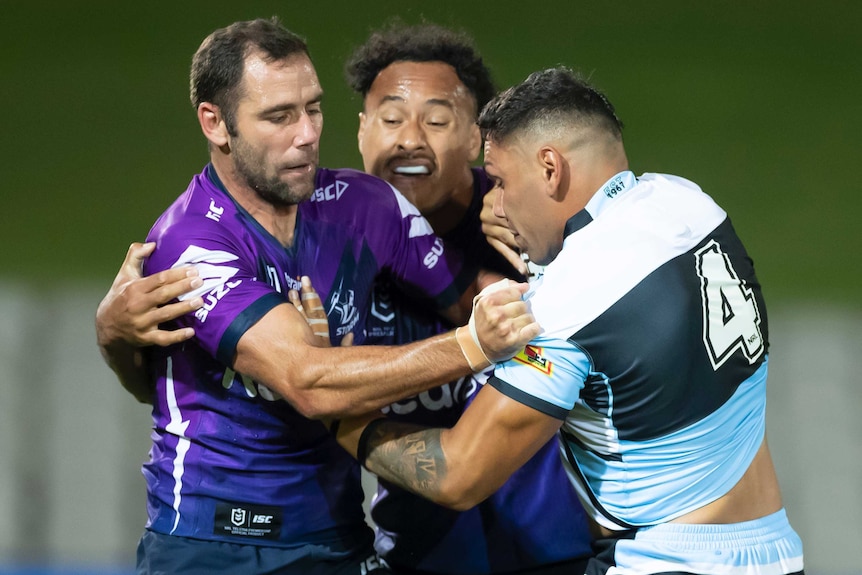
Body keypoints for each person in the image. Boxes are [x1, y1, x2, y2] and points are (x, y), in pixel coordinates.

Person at [94, 18, 538, 575]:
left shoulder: (366, 204)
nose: (305, 133)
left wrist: (528, 222)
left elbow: (481, 297)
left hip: (335, 538)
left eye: (313, 108)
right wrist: (473, 346)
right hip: (212, 546)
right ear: (216, 123)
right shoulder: (192, 246)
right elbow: (307, 381)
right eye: (279, 116)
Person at [332, 67, 806, 575]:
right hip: (775, 548)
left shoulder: (565, 305)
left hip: (666, 559)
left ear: (551, 169)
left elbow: (459, 472)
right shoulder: (691, 205)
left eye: (500, 182)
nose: (492, 203)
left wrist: (342, 419)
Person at [342, 22, 592, 574]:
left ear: (477, 138)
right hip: (416, 554)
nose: (410, 138)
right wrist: (119, 335)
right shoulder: (326, 242)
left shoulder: (532, 221)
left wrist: (540, 244)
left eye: (435, 120)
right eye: (390, 119)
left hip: (557, 555)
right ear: (361, 131)